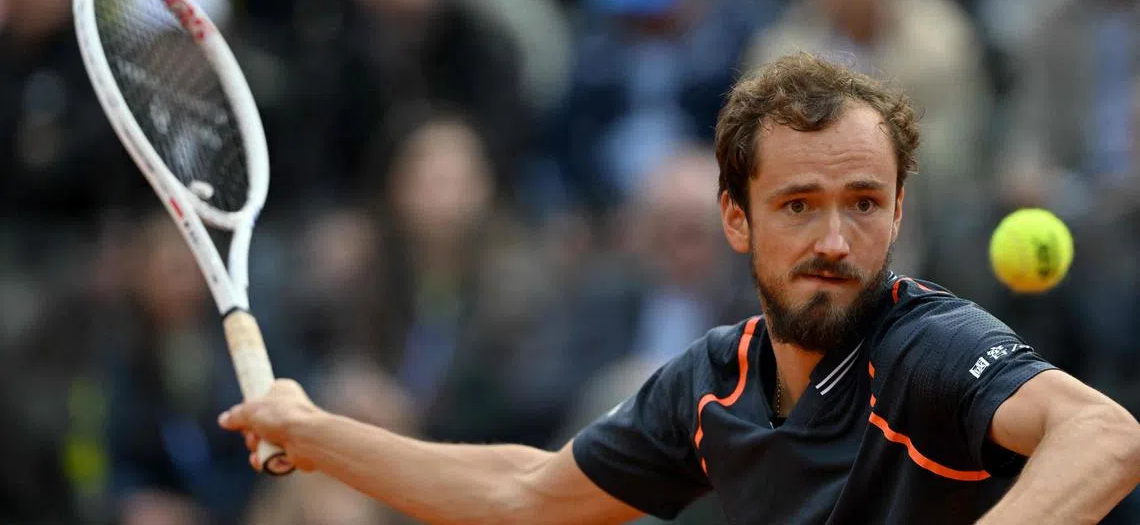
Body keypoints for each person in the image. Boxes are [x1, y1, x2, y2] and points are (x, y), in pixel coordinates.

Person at [219, 53, 1140, 524]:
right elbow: (525, 494)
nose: (835, 239)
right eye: (798, 205)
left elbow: (1103, 433)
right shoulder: (713, 385)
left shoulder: (924, 345)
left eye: (865, 203)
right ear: (736, 219)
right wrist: (313, 435)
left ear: (899, 213)